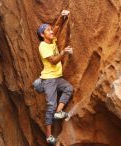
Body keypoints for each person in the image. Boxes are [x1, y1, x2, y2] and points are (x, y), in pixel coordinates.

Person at [36, 10, 73, 145]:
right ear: (42, 35)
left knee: (68, 89)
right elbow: (53, 60)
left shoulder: (51, 40)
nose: (51, 32)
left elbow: (56, 28)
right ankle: (48, 136)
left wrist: (61, 17)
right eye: (48, 31)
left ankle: (59, 112)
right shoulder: (43, 46)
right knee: (50, 105)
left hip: (57, 78)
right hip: (49, 80)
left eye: (51, 30)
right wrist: (63, 52)